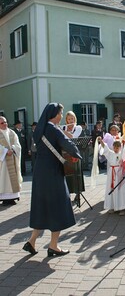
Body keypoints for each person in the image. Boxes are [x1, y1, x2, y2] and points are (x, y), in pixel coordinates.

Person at [22, 103, 82, 257]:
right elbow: (66, 143)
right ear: (55, 114)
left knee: (42, 206)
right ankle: (53, 246)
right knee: (59, 206)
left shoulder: (39, 129)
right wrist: (77, 154)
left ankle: (32, 241)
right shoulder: (54, 129)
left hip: (40, 172)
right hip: (53, 172)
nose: (62, 116)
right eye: (61, 113)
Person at [98, 137, 125, 216]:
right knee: (111, 189)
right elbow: (105, 147)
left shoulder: (122, 154)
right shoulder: (111, 153)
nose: (115, 149)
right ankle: (113, 206)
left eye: (117, 147)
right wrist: (101, 141)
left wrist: (124, 143)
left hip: (119, 173)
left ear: (120, 147)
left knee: (120, 190)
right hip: (112, 172)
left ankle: (122, 207)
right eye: (114, 147)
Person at [0, 116, 22, 206]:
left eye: (5, 122)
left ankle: (13, 197)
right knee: (4, 179)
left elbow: (18, 145)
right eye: (2, 123)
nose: (5, 124)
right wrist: (5, 151)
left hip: (12, 159)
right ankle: (4, 198)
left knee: (12, 178)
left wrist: (12, 149)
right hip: (3, 163)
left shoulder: (12, 132)